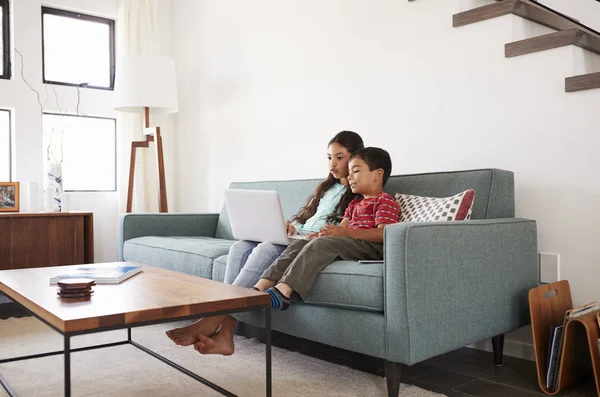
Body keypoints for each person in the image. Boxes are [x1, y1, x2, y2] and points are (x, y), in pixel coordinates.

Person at [166, 130, 364, 354]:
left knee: (265, 248)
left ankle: (213, 318)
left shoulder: (358, 190)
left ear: (355, 157)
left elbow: (344, 226)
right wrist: (292, 225)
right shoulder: (326, 188)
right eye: (329, 157)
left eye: (339, 157)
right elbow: (307, 219)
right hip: (298, 235)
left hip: (311, 242)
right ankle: (226, 334)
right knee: (239, 247)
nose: (332, 163)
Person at [254, 147, 400, 310]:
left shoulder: (385, 202)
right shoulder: (354, 204)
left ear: (377, 175)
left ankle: (283, 291)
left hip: (371, 247)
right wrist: (323, 234)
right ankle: (261, 287)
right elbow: (341, 229)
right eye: (349, 172)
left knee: (321, 245)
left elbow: (384, 233)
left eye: (356, 171)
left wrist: (345, 233)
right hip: (350, 242)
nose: (349, 176)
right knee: (300, 244)